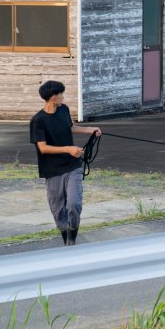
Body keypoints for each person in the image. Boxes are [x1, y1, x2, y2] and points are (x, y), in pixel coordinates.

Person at [29, 80, 101, 245]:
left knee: (74, 204)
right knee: (58, 210)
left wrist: (90, 130)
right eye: (61, 94)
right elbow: (43, 148)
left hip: (72, 166)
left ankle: (71, 239)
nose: (63, 96)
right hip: (52, 170)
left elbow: (70, 127)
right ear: (53, 97)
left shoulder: (64, 110)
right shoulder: (38, 121)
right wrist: (68, 149)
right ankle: (67, 241)